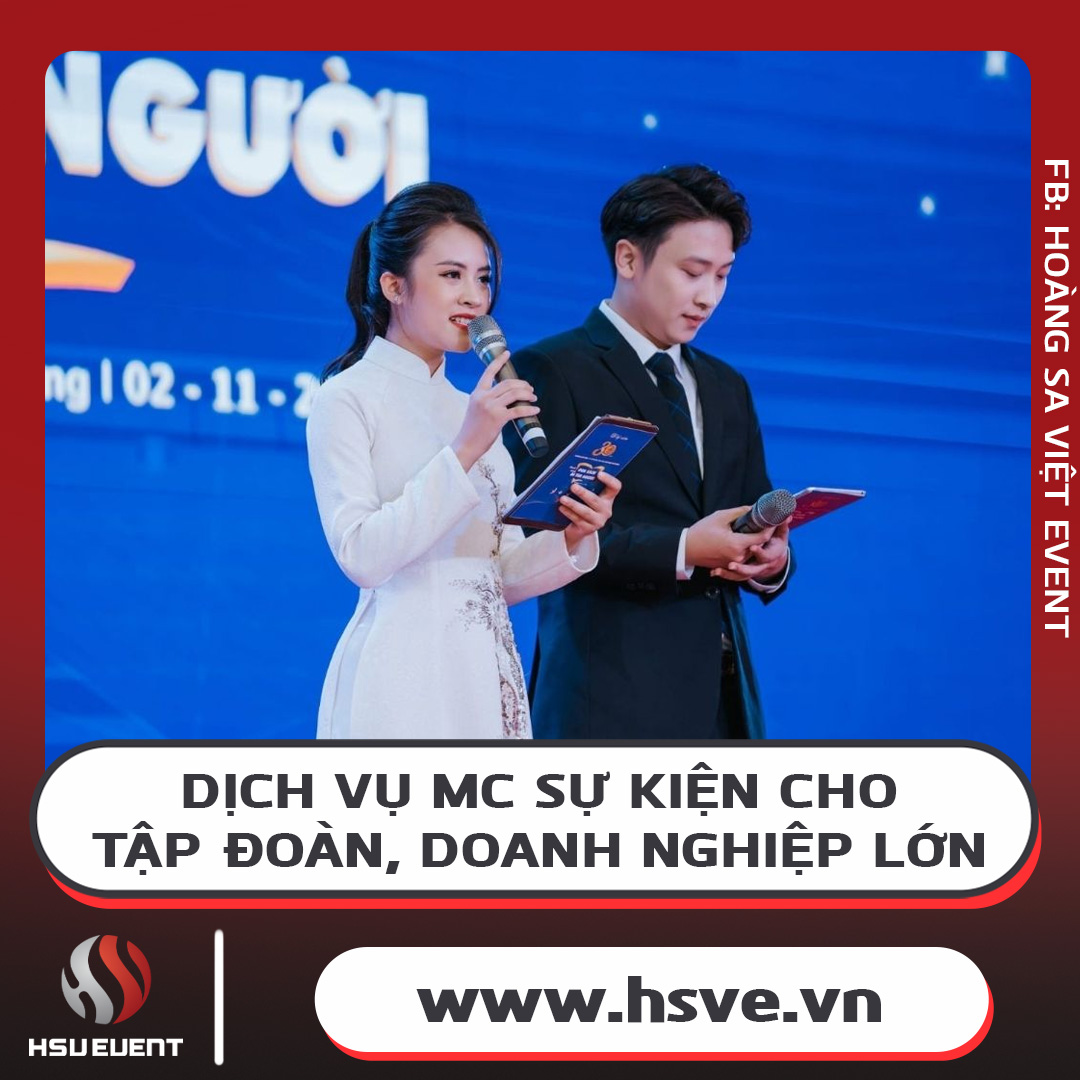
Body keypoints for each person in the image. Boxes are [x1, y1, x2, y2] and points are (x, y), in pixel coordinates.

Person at [308, 182, 620, 740]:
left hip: (484, 672)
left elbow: (496, 575)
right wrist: (466, 447)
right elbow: (362, 556)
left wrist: (573, 534)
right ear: (394, 286)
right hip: (401, 678)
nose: (474, 298)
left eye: (483, 279)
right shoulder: (346, 397)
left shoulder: (472, 407)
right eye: (452, 275)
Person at [505, 164, 790, 740]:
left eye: (723, 275)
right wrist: (685, 548)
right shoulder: (552, 369)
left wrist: (770, 561)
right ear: (628, 259)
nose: (708, 297)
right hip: (606, 704)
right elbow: (542, 538)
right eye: (692, 272)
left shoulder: (727, 386)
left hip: (724, 705)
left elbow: (749, 512)